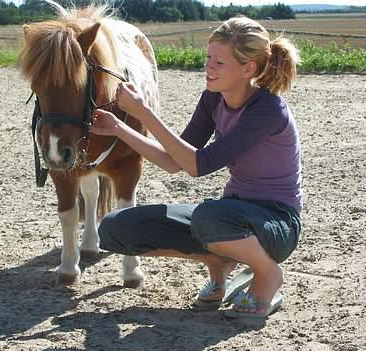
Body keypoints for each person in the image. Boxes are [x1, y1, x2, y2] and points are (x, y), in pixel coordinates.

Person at [90, 15, 303, 319]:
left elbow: (197, 165)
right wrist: (118, 129)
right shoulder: (212, 100)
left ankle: (268, 276)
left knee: (208, 216)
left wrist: (144, 112)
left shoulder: (267, 110)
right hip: (229, 216)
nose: (208, 67)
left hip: (278, 224)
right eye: (208, 58)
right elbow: (172, 161)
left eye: (219, 62)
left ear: (248, 69)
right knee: (115, 227)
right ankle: (218, 262)